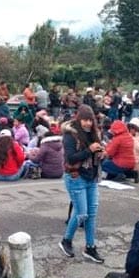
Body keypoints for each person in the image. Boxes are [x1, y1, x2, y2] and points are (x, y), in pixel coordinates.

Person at [58, 104, 105, 264]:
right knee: (81, 213)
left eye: (90, 120)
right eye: (85, 120)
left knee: (92, 214)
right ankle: (66, 241)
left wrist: (101, 154)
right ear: (78, 119)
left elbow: (94, 154)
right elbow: (71, 158)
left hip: (91, 177)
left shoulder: (93, 134)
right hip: (75, 177)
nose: (88, 124)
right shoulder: (70, 135)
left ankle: (90, 247)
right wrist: (90, 150)